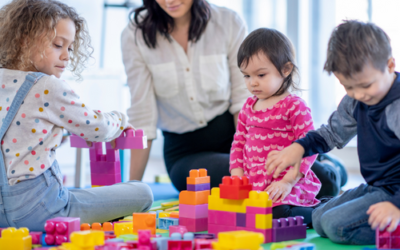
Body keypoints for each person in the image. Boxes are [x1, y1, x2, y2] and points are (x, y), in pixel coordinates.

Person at [121, 0, 347, 196]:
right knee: (249, 187)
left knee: (321, 178)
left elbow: (244, 98)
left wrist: (254, 154)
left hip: (244, 137)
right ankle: (322, 164)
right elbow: (143, 115)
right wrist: (133, 189)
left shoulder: (227, 22)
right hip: (186, 153)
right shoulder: (134, 35)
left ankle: (325, 163)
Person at [0, 0, 153, 232]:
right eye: (58, 45)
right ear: (24, 40)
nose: (67, 56)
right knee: (143, 192)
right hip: (42, 211)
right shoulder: (47, 86)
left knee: (81, 193)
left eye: (70, 48)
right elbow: (96, 127)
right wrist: (120, 120)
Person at [265, 20, 400, 244]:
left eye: (365, 86)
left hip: (395, 191)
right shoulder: (355, 100)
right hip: (377, 186)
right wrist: (299, 148)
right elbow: (331, 134)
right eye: (348, 87)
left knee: (335, 227)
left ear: (389, 65)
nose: (357, 94)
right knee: (318, 219)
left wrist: (395, 205)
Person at [230, 28, 320, 226]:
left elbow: (309, 147)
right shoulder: (247, 107)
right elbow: (239, 143)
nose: (252, 82)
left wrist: (287, 182)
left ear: (286, 69)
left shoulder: (294, 106)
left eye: (261, 75)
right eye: (246, 76)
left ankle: (323, 210)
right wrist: (237, 177)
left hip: (289, 183)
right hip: (256, 185)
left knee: (278, 215)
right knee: (239, 215)